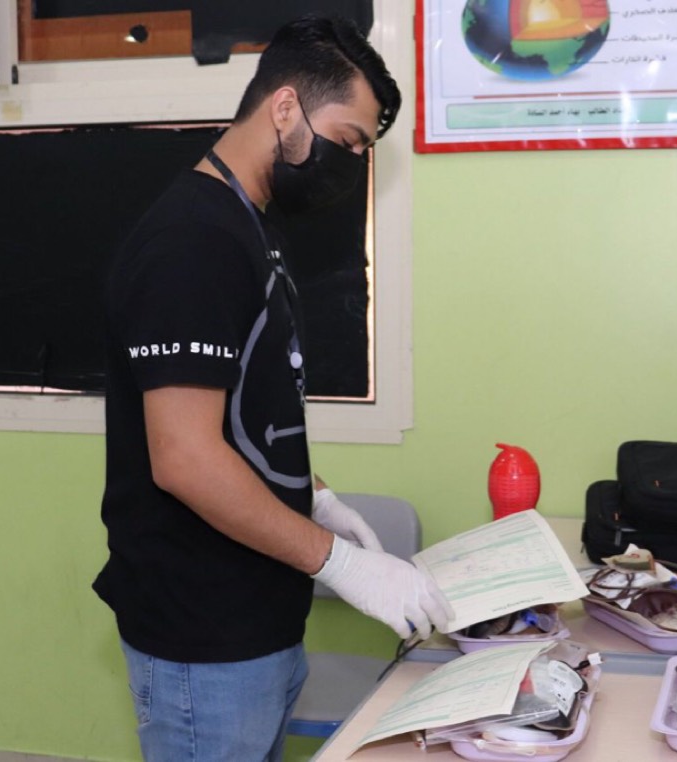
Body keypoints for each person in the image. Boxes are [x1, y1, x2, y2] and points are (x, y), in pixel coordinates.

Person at [92, 16, 451, 761]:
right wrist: (340, 562)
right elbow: (185, 458)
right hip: (204, 632)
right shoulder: (191, 243)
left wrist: (315, 497)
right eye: (348, 140)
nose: (351, 162)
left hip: (262, 616)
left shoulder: (249, 225)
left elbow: (246, 413)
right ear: (285, 108)